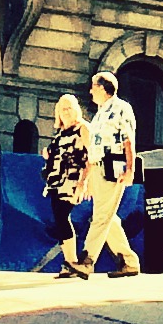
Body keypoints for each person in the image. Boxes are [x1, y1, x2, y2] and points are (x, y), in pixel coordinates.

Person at [83, 69, 140, 277]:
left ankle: (87, 261)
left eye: (93, 87)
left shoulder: (121, 108)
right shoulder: (100, 113)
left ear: (101, 88)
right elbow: (94, 148)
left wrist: (130, 169)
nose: (90, 91)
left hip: (112, 168)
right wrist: (88, 178)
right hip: (99, 168)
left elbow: (128, 140)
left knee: (100, 217)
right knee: (107, 217)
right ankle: (129, 262)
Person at [40, 93, 91, 277]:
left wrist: (84, 182)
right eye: (63, 109)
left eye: (69, 108)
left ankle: (71, 262)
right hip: (56, 181)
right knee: (59, 219)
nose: (66, 112)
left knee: (62, 216)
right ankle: (69, 262)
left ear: (76, 109)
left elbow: (92, 157)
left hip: (73, 180)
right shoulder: (61, 133)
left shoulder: (83, 128)